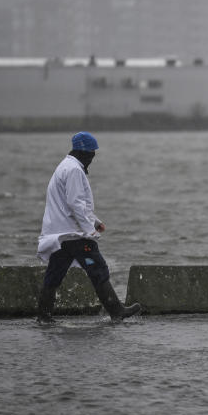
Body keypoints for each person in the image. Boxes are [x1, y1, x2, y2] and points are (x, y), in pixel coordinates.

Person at [36, 131, 141, 323]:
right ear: (83, 152)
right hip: (76, 235)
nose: (92, 158)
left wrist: (95, 221)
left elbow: (74, 204)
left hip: (61, 236)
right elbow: (76, 203)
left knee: (53, 275)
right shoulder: (75, 170)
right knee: (98, 269)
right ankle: (117, 311)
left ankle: (43, 317)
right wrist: (89, 231)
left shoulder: (64, 167)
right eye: (92, 154)